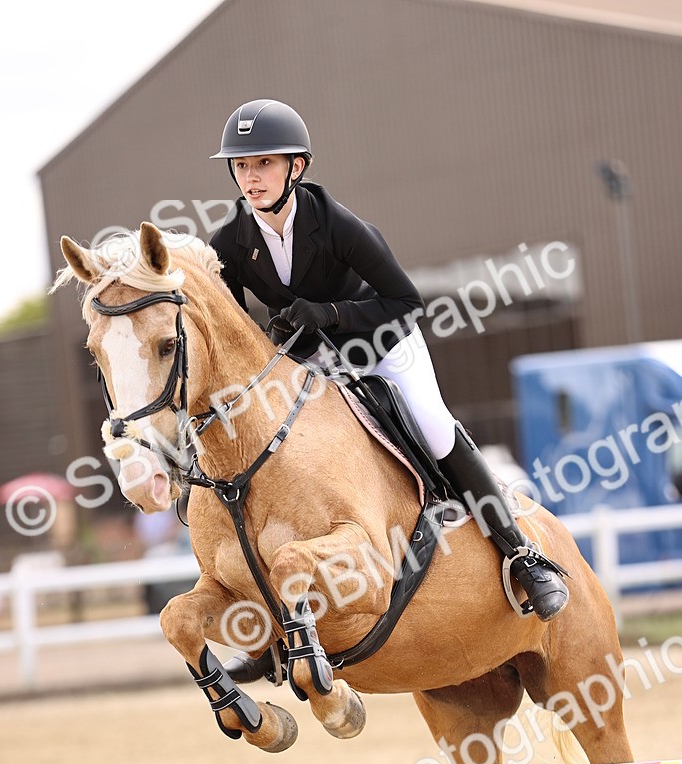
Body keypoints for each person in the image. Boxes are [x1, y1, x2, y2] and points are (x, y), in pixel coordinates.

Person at [209, 99, 568, 621]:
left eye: (263, 163)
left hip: (384, 348)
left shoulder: (339, 226)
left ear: (297, 167)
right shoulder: (231, 243)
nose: (250, 177)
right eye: (241, 166)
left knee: (435, 429)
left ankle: (522, 554)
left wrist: (329, 314)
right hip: (317, 369)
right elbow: (234, 332)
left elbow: (407, 304)